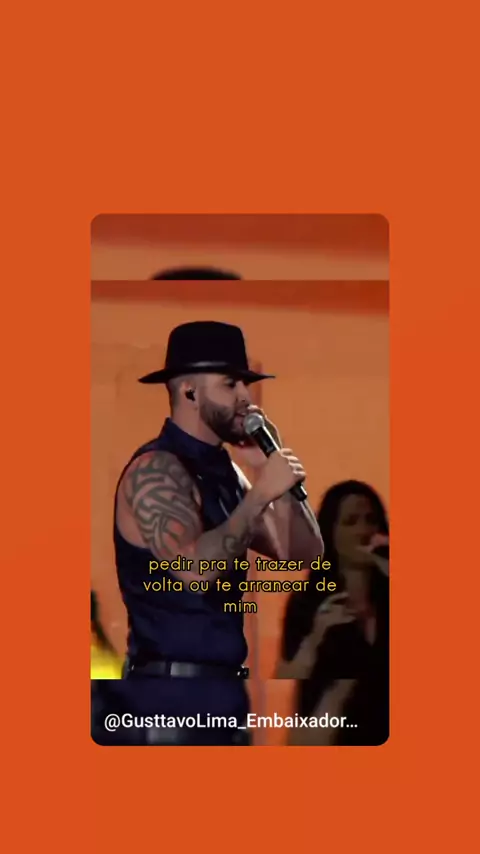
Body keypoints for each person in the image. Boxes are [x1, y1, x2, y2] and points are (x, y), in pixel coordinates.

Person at [113, 320, 324, 745]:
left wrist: (269, 471)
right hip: (166, 702)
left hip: (224, 697)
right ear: (190, 391)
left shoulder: (227, 472)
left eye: (245, 384)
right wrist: (259, 494)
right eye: (231, 384)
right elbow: (195, 570)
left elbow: (302, 554)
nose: (246, 397)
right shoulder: (155, 469)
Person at [277, 480, 389, 746]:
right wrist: (316, 636)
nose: (363, 531)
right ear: (330, 533)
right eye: (351, 522)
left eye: (371, 520)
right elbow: (287, 675)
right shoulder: (308, 601)